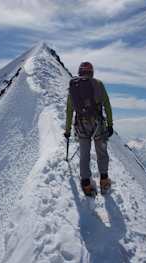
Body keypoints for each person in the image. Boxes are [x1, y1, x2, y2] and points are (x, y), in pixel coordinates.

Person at [64, 62, 114, 196]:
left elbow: (69, 110)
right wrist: (110, 124)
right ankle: (104, 181)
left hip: (81, 125)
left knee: (84, 154)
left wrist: (67, 130)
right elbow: (107, 105)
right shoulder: (98, 84)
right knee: (101, 153)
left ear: (80, 72)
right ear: (91, 72)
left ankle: (86, 184)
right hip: (97, 124)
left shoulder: (74, 86)